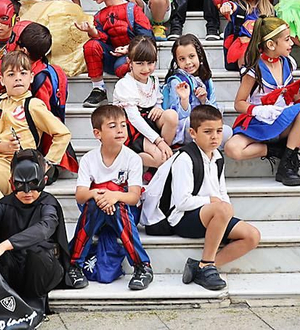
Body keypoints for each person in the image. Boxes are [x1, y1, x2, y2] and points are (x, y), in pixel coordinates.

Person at [142, 103, 261, 291]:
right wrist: (214, 204)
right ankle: (206, 266)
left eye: (219, 131)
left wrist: (224, 210)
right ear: (193, 133)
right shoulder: (184, 158)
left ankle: (202, 266)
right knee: (221, 208)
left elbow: (222, 191)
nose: (215, 137)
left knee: (251, 236)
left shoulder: (217, 157)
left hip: (210, 214)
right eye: (208, 131)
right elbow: (182, 202)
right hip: (180, 218)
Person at [0, 150, 85, 311]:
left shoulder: (48, 204)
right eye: (20, 185)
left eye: (33, 185)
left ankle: (33, 303)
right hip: (13, 269)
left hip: (42, 270)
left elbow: (44, 229)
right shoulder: (4, 205)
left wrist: (3, 246)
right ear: (12, 182)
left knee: (36, 249)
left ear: (44, 181)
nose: (27, 192)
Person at [0, 49, 71, 202]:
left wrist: (47, 162)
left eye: (23, 74)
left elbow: (63, 133)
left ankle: (0, 210)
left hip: (16, 166)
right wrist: (2, 145)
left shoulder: (34, 105)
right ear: (2, 79)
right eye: (11, 74)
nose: (18, 78)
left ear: (31, 77)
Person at [71, 103, 152, 290]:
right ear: (97, 133)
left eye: (123, 124)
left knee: (116, 204)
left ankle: (142, 267)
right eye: (112, 126)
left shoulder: (132, 158)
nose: (120, 130)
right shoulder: (90, 159)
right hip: (95, 212)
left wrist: (113, 196)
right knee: (94, 202)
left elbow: (134, 197)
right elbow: (81, 196)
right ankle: (74, 265)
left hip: (126, 212)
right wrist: (99, 195)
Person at [225, 17, 300, 187]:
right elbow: (239, 103)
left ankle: (287, 163)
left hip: (282, 121)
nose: (291, 43)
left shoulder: (288, 63)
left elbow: (292, 96)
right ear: (272, 45)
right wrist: (259, 111)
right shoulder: (254, 69)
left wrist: (297, 96)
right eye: (287, 39)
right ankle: (277, 151)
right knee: (232, 149)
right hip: (260, 122)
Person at [78, 0, 153, 107]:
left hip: (131, 57)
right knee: (90, 45)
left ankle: (136, 90)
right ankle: (98, 89)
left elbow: (147, 38)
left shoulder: (132, 10)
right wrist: (93, 31)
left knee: (122, 67)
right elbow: (103, 38)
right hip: (112, 55)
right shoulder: (99, 16)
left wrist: (130, 49)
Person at [112, 37, 175, 170]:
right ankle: (125, 158)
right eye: (140, 63)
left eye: (150, 63)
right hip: (132, 130)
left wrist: (158, 108)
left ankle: (157, 161)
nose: (146, 68)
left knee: (171, 116)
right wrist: (159, 141)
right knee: (161, 159)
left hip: (149, 122)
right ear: (130, 62)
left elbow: (158, 100)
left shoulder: (153, 79)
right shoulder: (125, 84)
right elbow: (134, 118)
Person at [162, 35, 216, 145]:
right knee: (194, 126)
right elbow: (176, 116)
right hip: (185, 128)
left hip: (204, 122)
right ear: (176, 61)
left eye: (191, 56)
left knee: (225, 131)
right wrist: (184, 100)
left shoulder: (206, 80)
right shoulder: (176, 81)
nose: (188, 62)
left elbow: (215, 111)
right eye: (182, 59)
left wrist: (204, 101)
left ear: (199, 56)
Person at [217, 0, 273, 71]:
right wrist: (227, 6)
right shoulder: (239, 7)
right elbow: (233, 7)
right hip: (241, 50)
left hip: (261, 49)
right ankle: (247, 75)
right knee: (246, 51)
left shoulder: (268, 10)